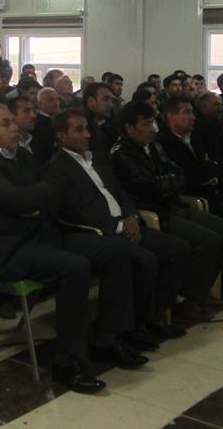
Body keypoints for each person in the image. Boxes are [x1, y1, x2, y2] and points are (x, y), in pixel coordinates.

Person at [0, 104, 108, 392]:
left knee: (105, 251)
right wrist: (33, 202)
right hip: (11, 250)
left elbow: (49, 190)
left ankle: (106, 337)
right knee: (75, 267)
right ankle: (68, 361)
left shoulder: (22, 155)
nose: (15, 127)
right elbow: (20, 200)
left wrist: (33, 203)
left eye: (12, 121)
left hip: (39, 236)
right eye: (5, 124)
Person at [45, 109, 191, 330]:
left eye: (87, 128)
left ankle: (158, 312)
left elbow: (121, 192)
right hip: (98, 231)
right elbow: (74, 211)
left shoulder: (98, 159)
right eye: (79, 130)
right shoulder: (55, 169)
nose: (87, 135)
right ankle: (133, 325)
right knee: (144, 259)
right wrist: (119, 225)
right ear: (61, 136)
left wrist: (132, 216)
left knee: (177, 248)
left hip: (127, 222)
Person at [110, 101, 223, 321]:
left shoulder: (153, 146)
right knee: (207, 240)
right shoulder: (121, 154)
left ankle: (197, 290)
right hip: (153, 213)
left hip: (172, 204)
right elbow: (148, 187)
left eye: (153, 122)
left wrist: (167, 183)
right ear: (129, 128)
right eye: (146, 123)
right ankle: (187, 300)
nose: (152, 129)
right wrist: (168, 183)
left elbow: (179, 174)